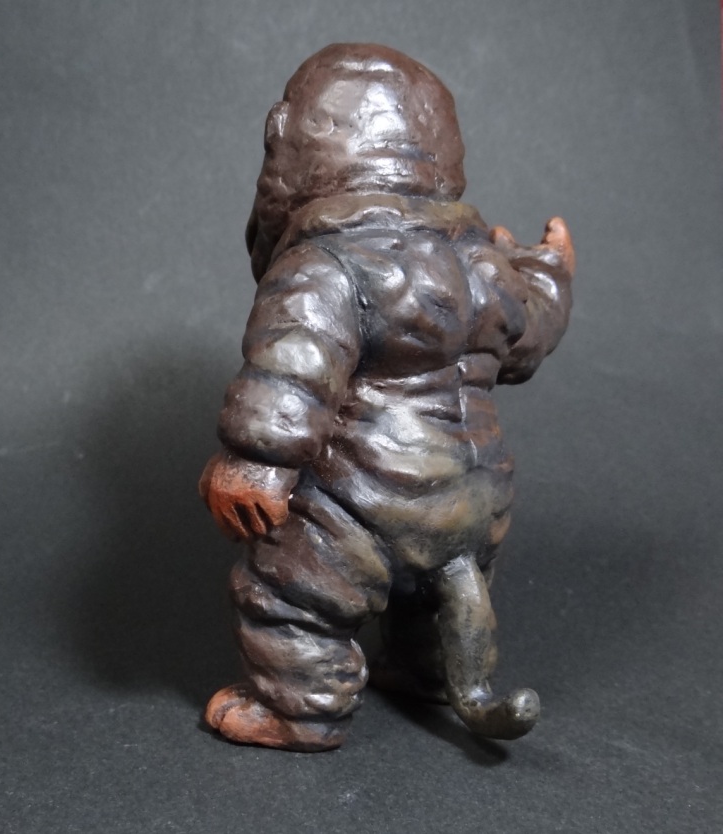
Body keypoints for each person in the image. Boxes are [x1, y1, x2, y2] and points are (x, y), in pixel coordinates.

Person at [199, 43, 574, 751]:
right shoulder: (486, 266)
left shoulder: (326, 260)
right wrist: (551, 269)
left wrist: (256, 461)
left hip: (361, 502)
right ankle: (432, 672)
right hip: (478, 496)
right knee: (446, 582)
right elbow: (531, 337)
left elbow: (295, 361)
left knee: (288, 595)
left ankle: (303, 708)